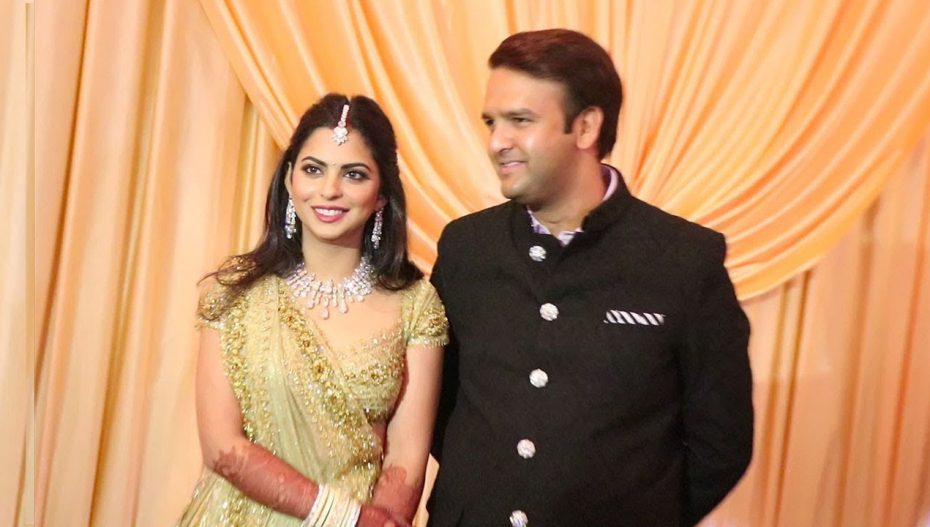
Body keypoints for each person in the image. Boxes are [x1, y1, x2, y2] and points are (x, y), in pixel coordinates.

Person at [426, 29, 753, 527]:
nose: (496, 143)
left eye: (520, 121)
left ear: (585, 127)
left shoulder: (684, 260)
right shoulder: (467, 247)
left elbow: (722, 441)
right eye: (491, 122)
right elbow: (437, 405)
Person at [177, 94, 448, 527]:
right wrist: (344, 517)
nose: (329, 190)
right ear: (289, 179)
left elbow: (406, 459)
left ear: (381, 194)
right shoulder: (235, 293)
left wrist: (377, 524)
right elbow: (222, 447)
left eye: (354, 174)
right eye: (313, 169)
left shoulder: (415, 305)